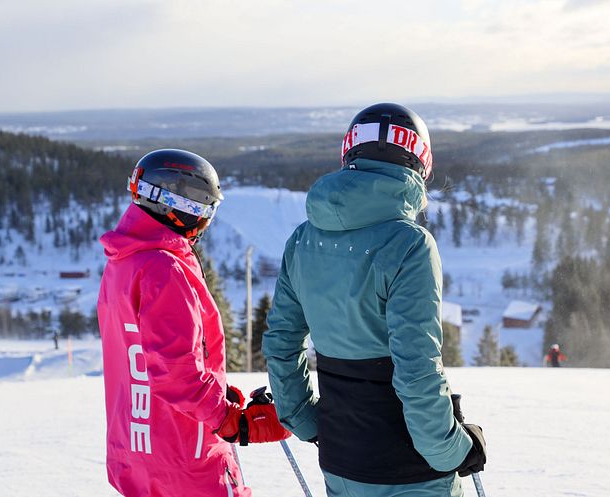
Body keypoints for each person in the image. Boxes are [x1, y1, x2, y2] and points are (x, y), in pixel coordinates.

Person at [263, 104, 486, 497]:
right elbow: (416, 365)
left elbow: (282, 342)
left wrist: (304, 419)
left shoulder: (303, 239)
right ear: (420, 163)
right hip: (408, 472)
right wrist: (451, 449)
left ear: (350, 152)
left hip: (340, 460)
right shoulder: (409, 244)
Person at [97, 149, 290, 497]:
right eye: (205, 208)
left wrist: (218, 398)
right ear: (180, 206)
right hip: (186, 460)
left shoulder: (124, 262)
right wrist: (236, 422)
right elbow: (176, 372)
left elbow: (147, 357)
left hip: (137, 452)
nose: (206, 221)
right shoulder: (164, 270)